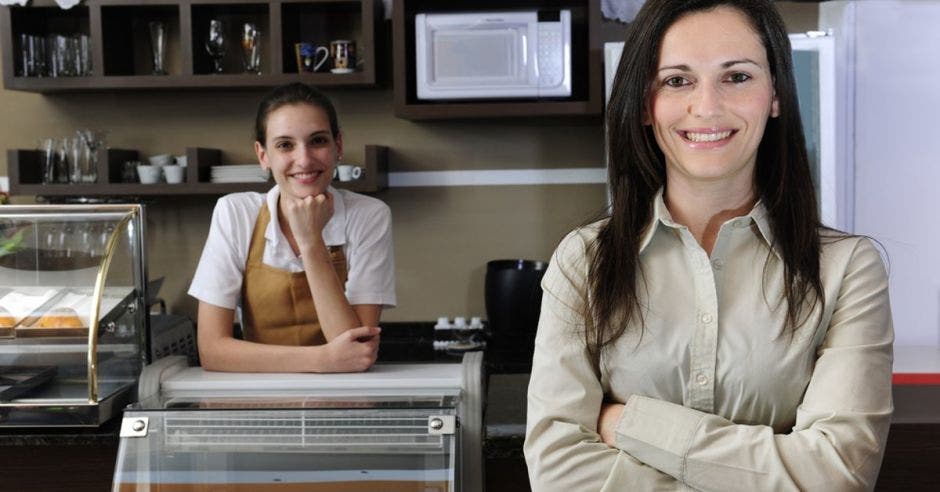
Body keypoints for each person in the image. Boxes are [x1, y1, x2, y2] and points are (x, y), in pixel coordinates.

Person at [524, 1, 893, 490]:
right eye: (677, 80)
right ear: (644, 105)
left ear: (776, 94)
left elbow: (836, 474)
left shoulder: (847, 269)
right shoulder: (585, 260)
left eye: (736, 77)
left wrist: (628, 423)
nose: (708, 106)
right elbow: (556, 472)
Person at [189, 83, 396, 373]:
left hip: (346, 402)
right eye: (285, 145)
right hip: (260, 401)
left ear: (338, 146)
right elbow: (211, 351)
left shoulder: (369, 216)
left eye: (318, 141)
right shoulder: (235, 213)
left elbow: (357, 353)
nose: (304, 160)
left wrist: (310, 242)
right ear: (263, 155)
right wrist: (323, 360)